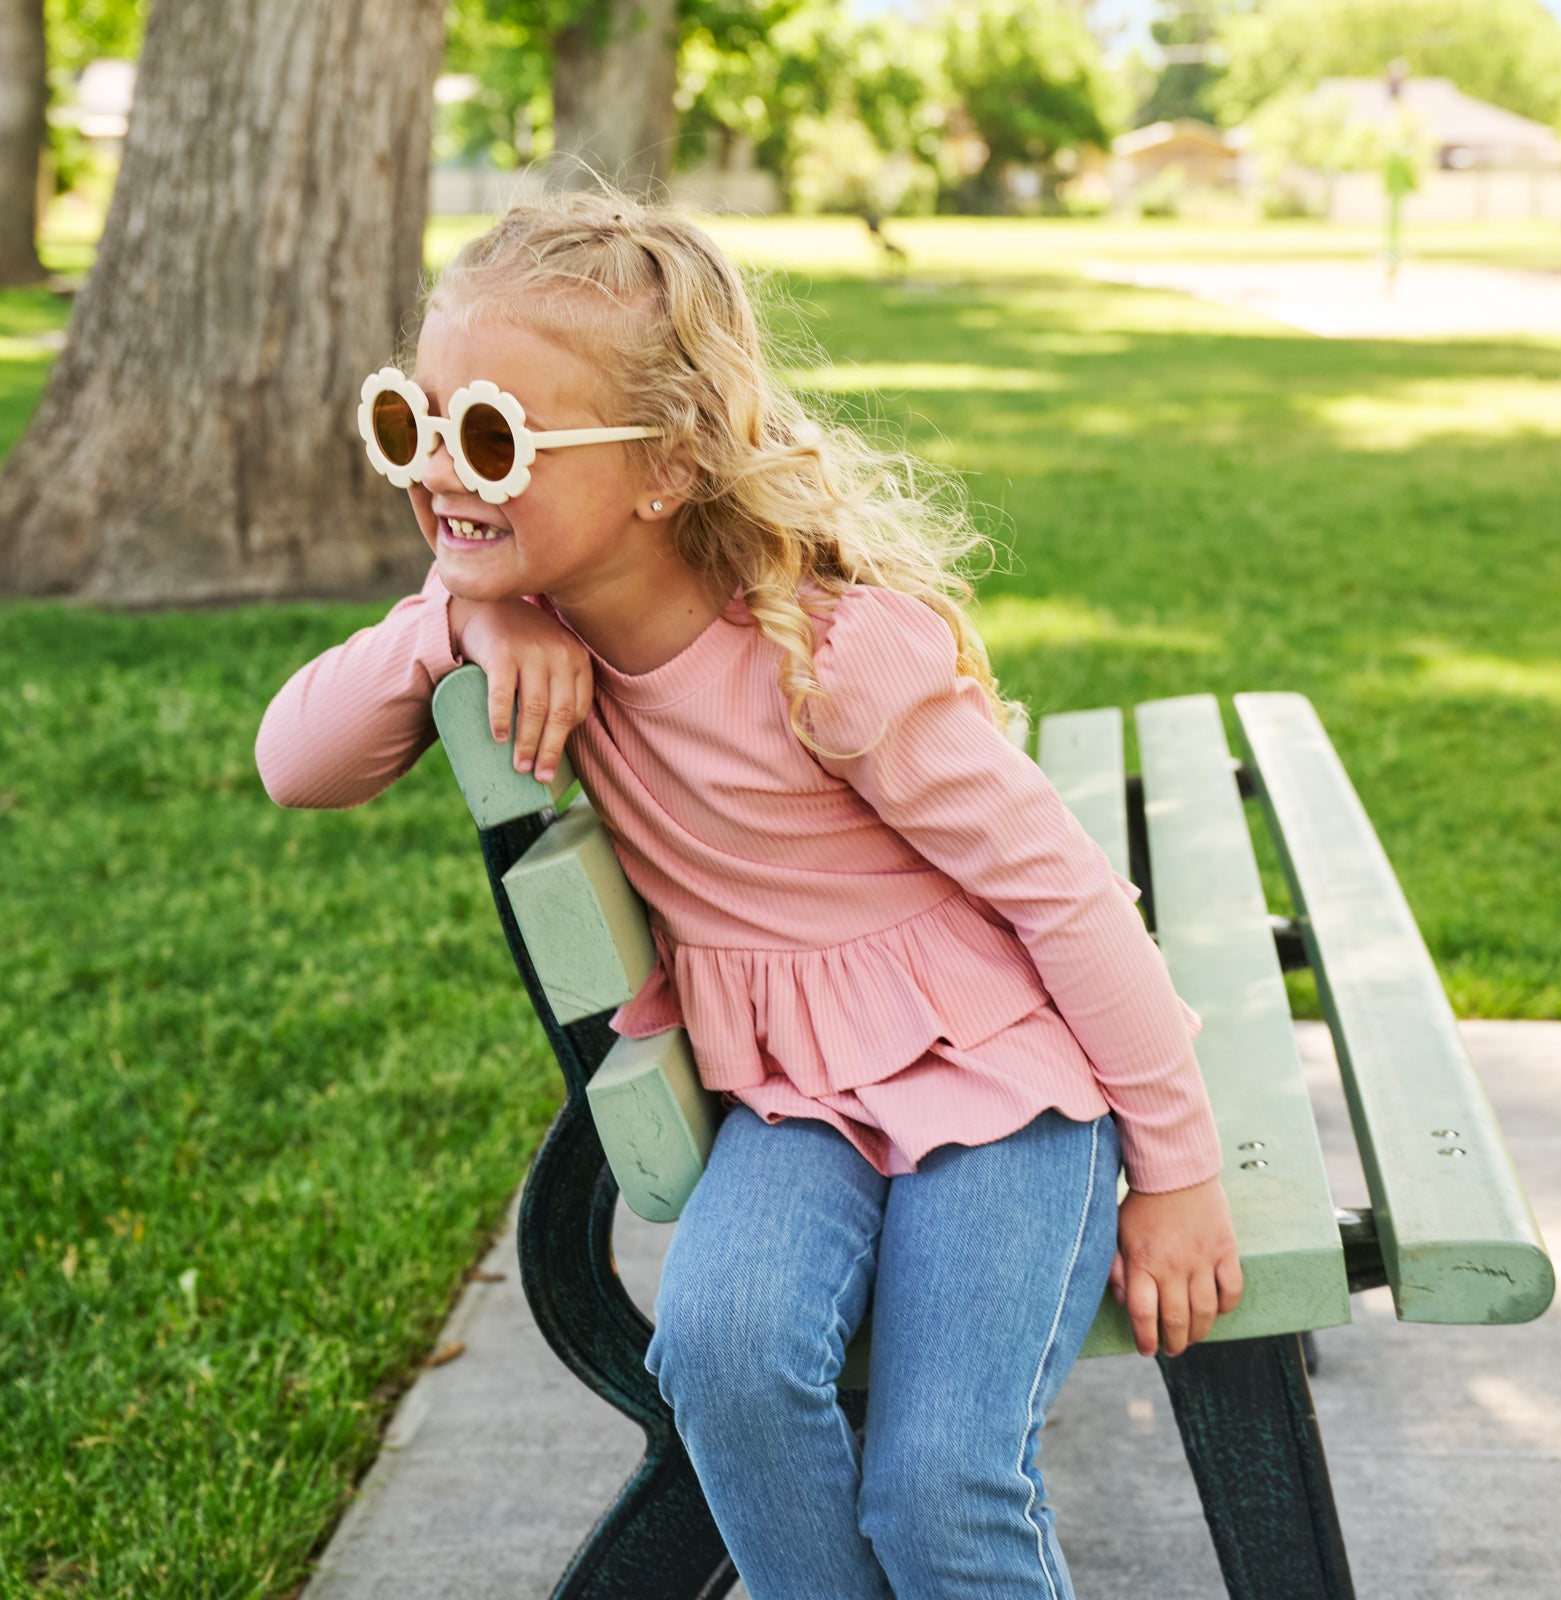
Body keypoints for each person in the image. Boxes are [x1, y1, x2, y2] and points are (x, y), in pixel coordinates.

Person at [256, 189, 1242, 1600]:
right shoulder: (527, 629)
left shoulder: (828, 663)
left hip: (1005, 1086)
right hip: (791, 1097)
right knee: (718, 1347)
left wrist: (1183, 1168)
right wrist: (456, 614)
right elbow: (295, 764)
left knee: (938, 1487)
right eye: (412, 424)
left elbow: (1067, 901)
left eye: (490, 440)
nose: (439, 475)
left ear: (664, 469)